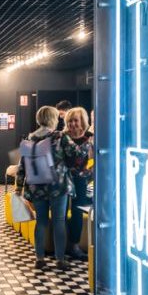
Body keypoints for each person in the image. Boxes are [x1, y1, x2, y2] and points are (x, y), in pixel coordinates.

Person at [17, 105, 87, 271]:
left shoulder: (30, 139)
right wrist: (88, 145)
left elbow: (22, 166)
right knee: (58, 221)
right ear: (54, 119)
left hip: (36, 187)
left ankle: (39, 258)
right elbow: (77, 154)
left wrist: (18, 188)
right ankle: (60, 259)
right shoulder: (59, 137)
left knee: (40, 222)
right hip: (58, 186)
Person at [63, 107, 93, 260]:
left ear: (82, 121)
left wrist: (89, 173)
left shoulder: (90, 138)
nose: (72, 124)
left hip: (81, 180)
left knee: (77, 211)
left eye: (75, 120)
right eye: (69, 121)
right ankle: (61, 246)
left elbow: (97, 159)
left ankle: (74, 245)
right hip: (63, 179)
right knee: (60, 212)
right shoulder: (63, 137)